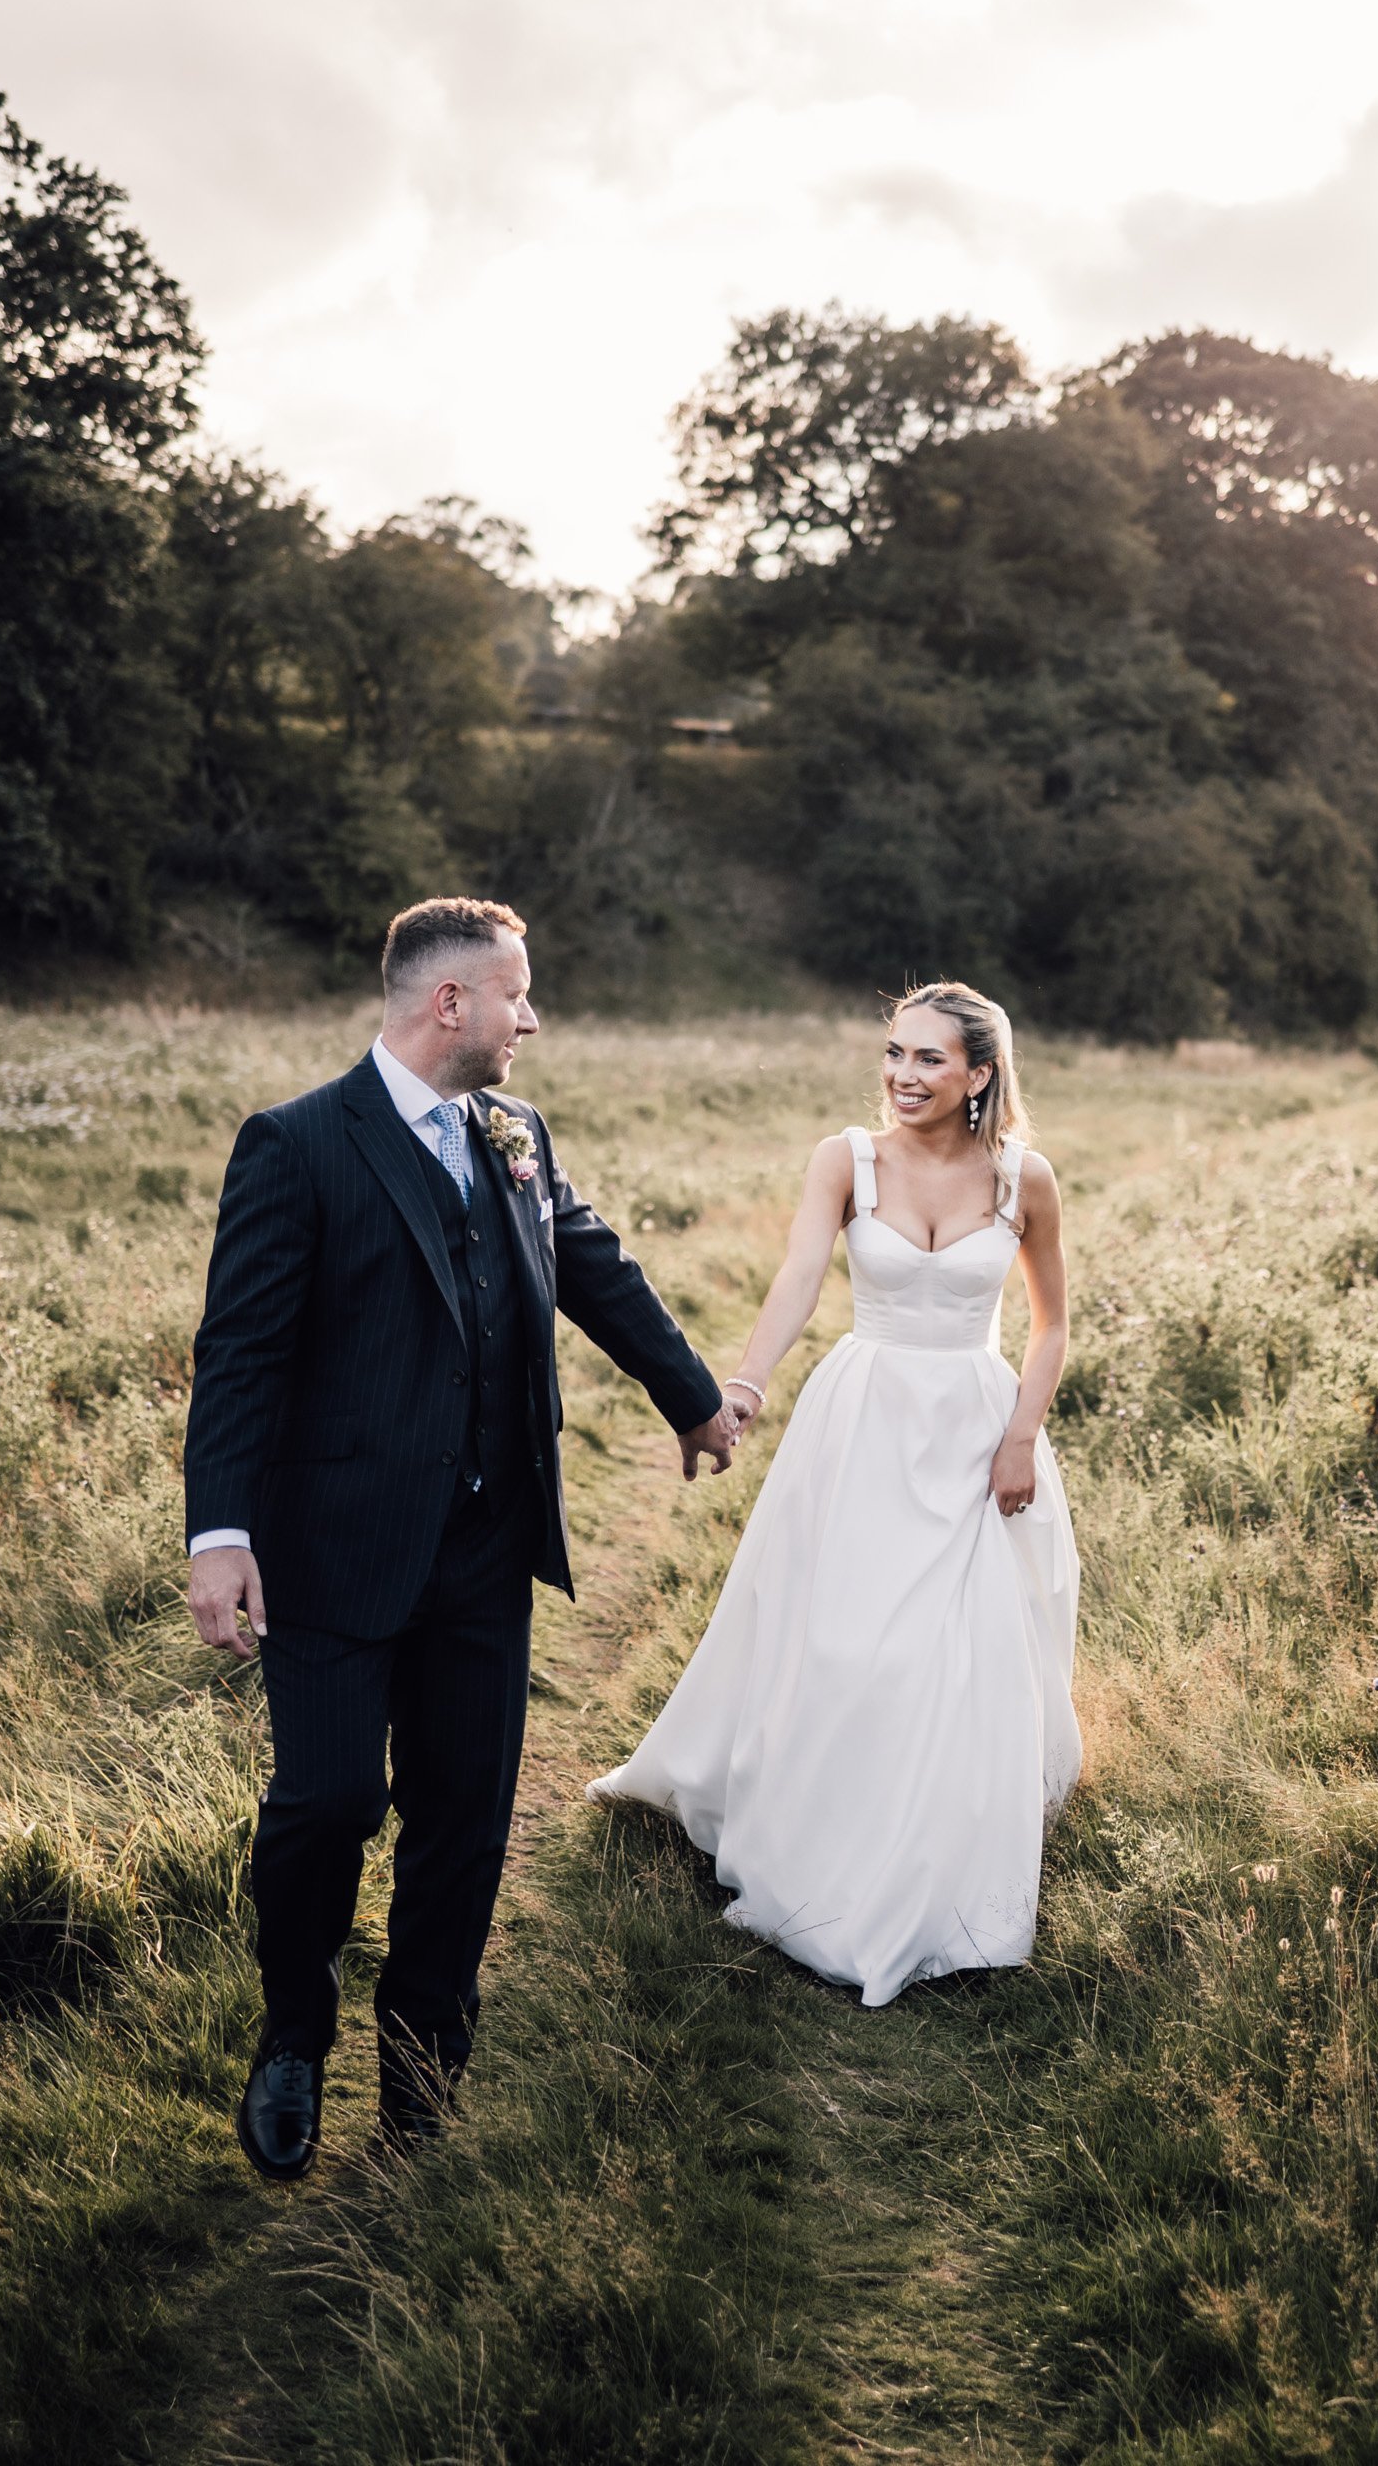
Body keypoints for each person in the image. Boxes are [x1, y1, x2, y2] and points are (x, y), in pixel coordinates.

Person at [183, 897, 740, 2178]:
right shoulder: (297, 1144)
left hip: (486, 1554)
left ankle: (423, 2084)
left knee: (465, 1826)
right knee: (324, 1805)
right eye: (518, 995)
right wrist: (221, 1535)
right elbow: (240, 1356)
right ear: (451, 1005)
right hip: (332, 1552)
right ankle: (292, 2034)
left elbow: (591, 1264)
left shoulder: (517, 1134)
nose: (530, 1019)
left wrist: (693, 1396)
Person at [590, 981, 1081, 2007]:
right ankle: (820, 1841)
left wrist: (1020, 1438)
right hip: (863, 1422)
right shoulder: (844, 1160)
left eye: (928, 1061)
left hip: (976, 1433)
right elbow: (799, 1280)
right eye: (894, 1054)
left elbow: (1048, 1324)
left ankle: (937, 1866)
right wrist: (743, 1384)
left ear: (977, 1076)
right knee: (846, 1641)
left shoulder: (1021, 1179)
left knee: (957, 1653)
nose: (903, 1076)